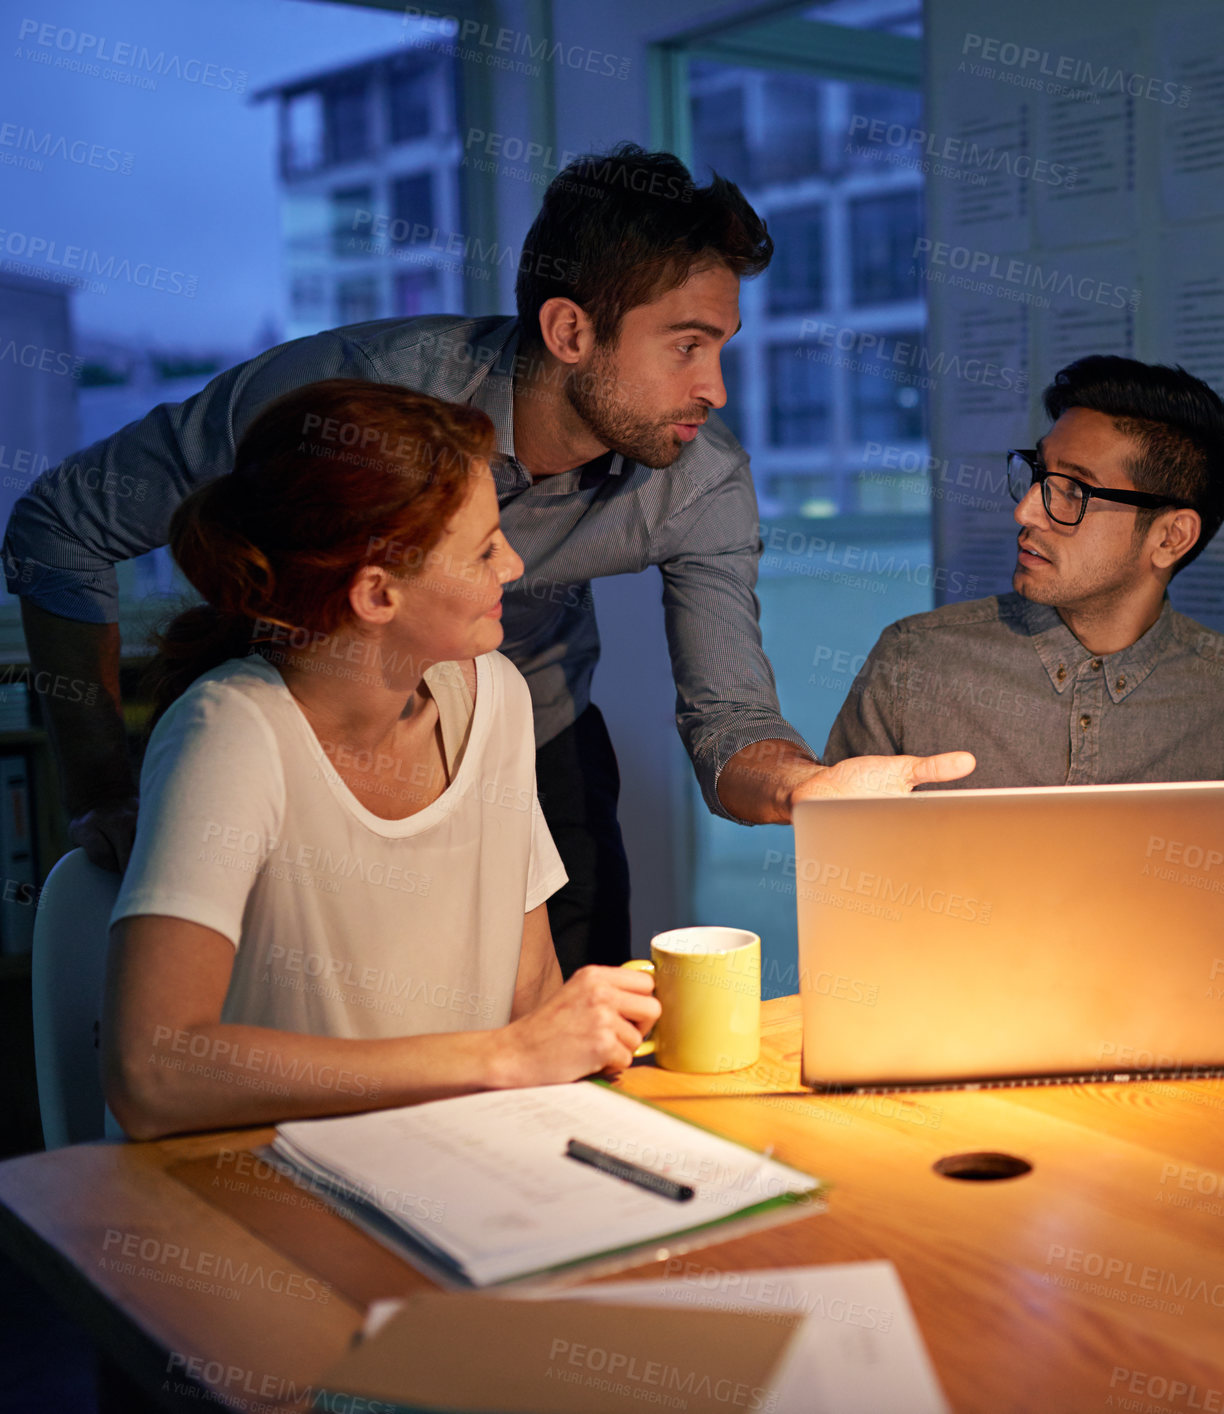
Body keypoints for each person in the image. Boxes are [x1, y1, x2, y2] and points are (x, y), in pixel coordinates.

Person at [6, 142, 972, 977]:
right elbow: (57, 526)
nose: (714, 388)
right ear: (569, 331)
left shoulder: (699, 480)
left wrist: (804, 790)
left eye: (721, 348)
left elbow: (731, 723)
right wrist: (99, 784)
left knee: (574, 1045)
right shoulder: (342, 401)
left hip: (532, 746)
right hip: (304, 747)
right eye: (686, 346)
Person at [103, 379, 666, 1141]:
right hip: (263, 1202)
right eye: (483, 550)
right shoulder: (231, 733)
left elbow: (530, 994)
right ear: (376, 595)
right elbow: (151, 1073)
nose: (512, 565)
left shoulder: (496, 699)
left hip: (451, 1170)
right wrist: (499, 1057)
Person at [825, 355, 1224, 979]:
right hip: (943, 1043)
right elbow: (839, 907)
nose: (1026, 511)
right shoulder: (916, 661)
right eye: (1038, 475)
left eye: (1072, 492)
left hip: (1161, 1061)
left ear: (1170, 538)